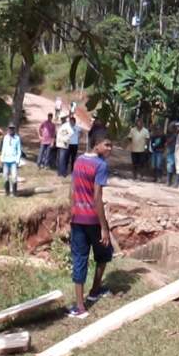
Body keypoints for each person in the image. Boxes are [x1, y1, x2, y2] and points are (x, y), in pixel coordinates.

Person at [67, 129, 114, 319]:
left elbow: (72, 188)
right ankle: (94, 291)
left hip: (78, 218)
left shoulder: (79, 161)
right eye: (107, 145)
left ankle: (80, 306)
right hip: (93, 220)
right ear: (97, 145)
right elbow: (97, 197)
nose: (110, 148)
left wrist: (72, 210)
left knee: (80, 259)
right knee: (104, 252)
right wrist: (104, 227)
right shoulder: (100, 165)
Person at [1, 123, 22, 197]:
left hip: (13, 161)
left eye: (12, 128)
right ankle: (7, 193)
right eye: (10, 128)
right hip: (6, 160)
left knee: (14, 176)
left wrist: (17, 161)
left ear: (14, 129)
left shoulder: (17, 138)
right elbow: (3, 149)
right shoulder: (5, 137)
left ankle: (14, 193)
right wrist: (2, 159)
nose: (11, 130)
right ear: (8, 129)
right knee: (5, 176)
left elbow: (19, 150)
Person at [55, 113, 71, 177]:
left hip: (64, 145)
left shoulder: (67, 126)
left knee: (62, 159)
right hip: (59, 144)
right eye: (61, 119)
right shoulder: (61, 125)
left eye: (62, 118)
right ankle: (59, 172)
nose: (61, 120)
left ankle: (63, 172)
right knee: (59, 159)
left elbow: (68, 134)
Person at [164, 122, 178, 186]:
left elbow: (168, 142)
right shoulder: (172, 134)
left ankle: (169, 181)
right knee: (170, 166)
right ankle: (169, 181)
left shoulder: (175, 135)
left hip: (173, 151)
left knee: (170, 165)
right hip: (171, 151)